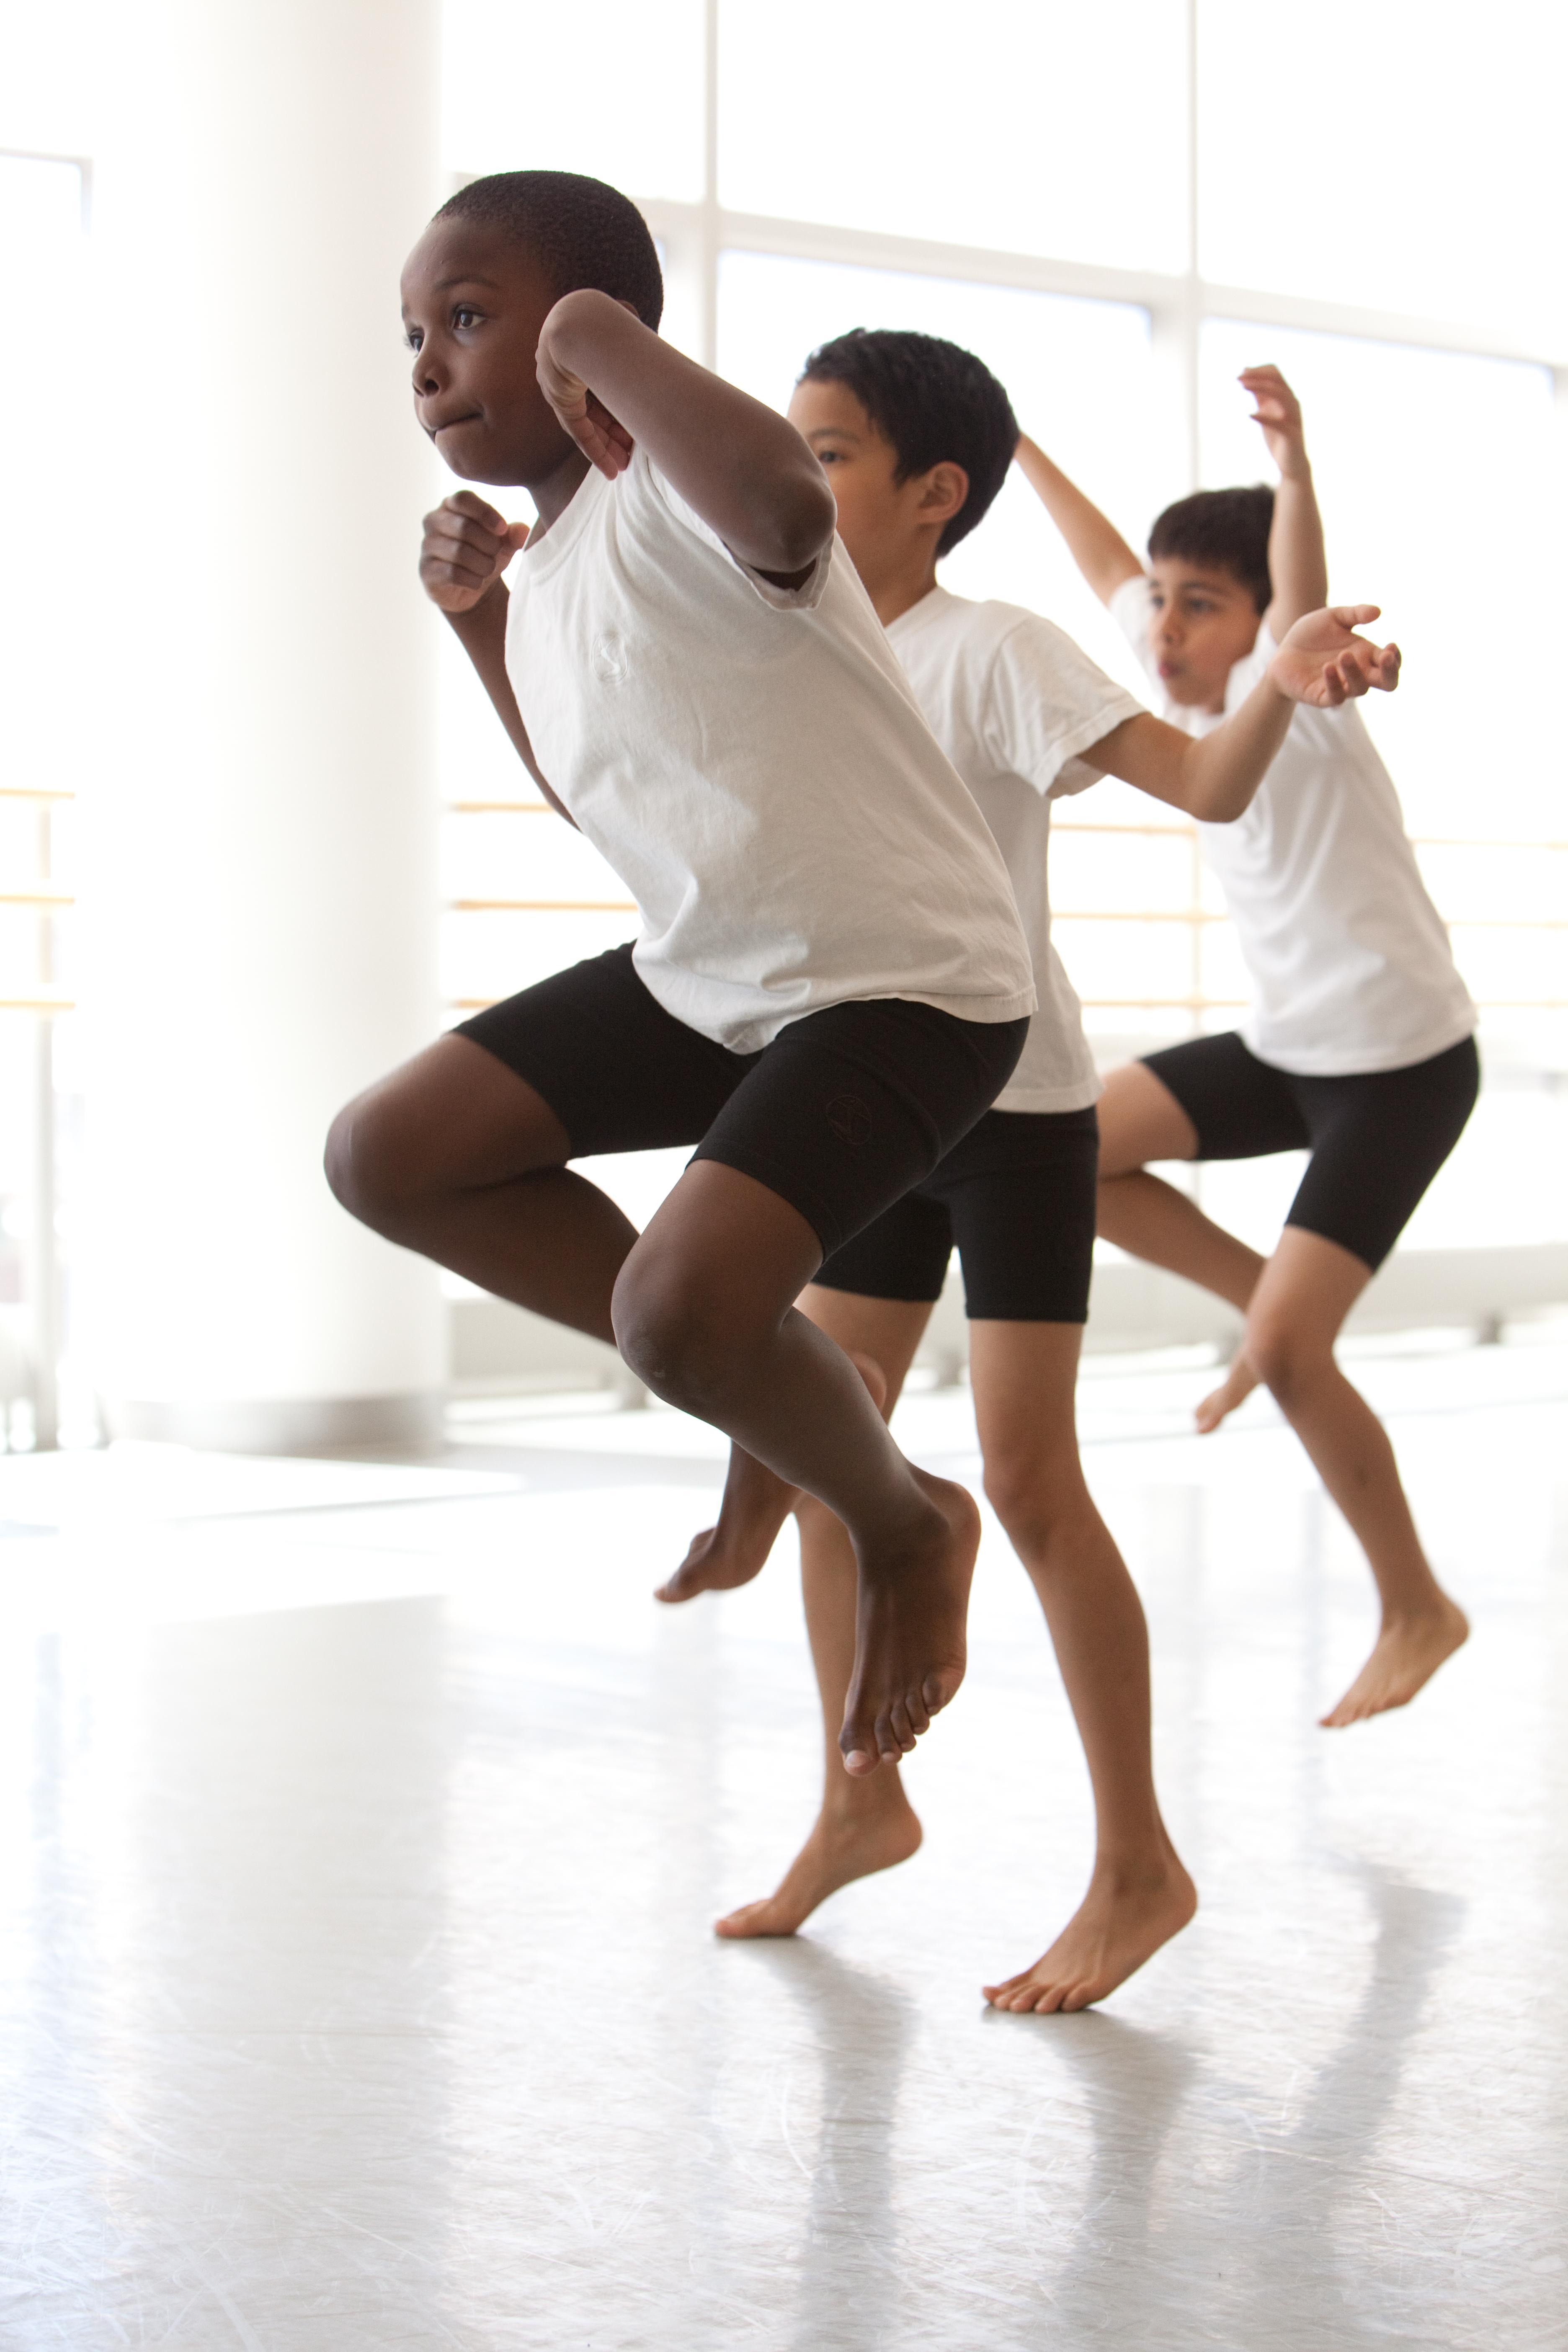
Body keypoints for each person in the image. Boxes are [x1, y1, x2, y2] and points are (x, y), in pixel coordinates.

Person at [658, 330, 1401, 2010]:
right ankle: (861, 1799)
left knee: (1026, 1479)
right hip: (859, 1107)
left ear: (933, 497)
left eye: (829, 451)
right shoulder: (792, 646)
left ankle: (1139, 1865)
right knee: (832, 1439)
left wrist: (1279, 676)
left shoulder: (994, 650)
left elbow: (1205, 783)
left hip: (1011, 1108)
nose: (794, 472)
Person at [326, 169, 1046, 1776]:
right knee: (390, 1155)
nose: (432, 364)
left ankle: (906, 1519)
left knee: (675, 1314)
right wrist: (477, 616)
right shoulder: (564, 555)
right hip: (716, 971)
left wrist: (595, 334)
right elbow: (601, 790)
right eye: (412, 339)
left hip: (905, 983)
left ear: (597, 333)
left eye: (469, 317)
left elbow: (791, 513)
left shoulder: (684, 483)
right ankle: (773, 1382)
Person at [1016, 364, 1475, 1731]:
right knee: (1069, 1149)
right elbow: (1100, 554)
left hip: (1398, 1070)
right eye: (1163, 601)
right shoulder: (1186, 692)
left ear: (1267, 625)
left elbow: (1305, 594)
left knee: (1291, 1360)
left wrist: (1295, 476)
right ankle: (1267, 1308)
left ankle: (1417, 1607)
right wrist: (1012, 433)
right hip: (1287, 1047)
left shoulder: (1303, 709)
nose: (1163, 625)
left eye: (1201, 605)